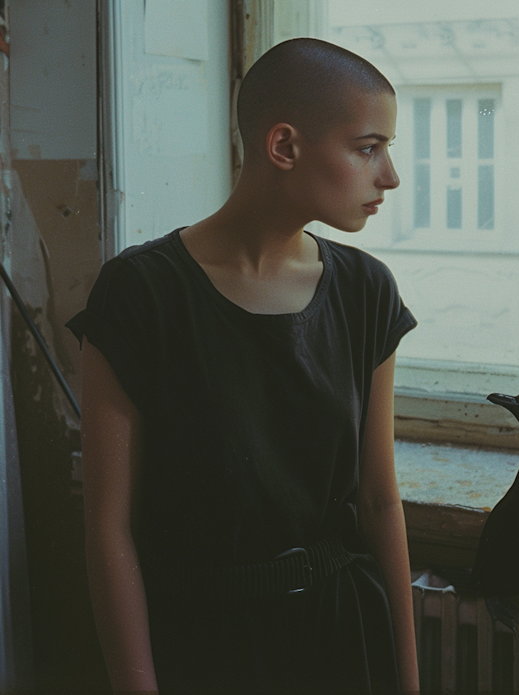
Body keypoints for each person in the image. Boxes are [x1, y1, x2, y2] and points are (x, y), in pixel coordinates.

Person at [67, 38, 420, 695]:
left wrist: (407, 679)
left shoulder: (367, 291)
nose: (390, 175)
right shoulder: (141, 294)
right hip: (199, 642)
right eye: (369, 147)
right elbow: (108, 525)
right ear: (283, 146)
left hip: (337, 636)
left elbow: (378, 499)